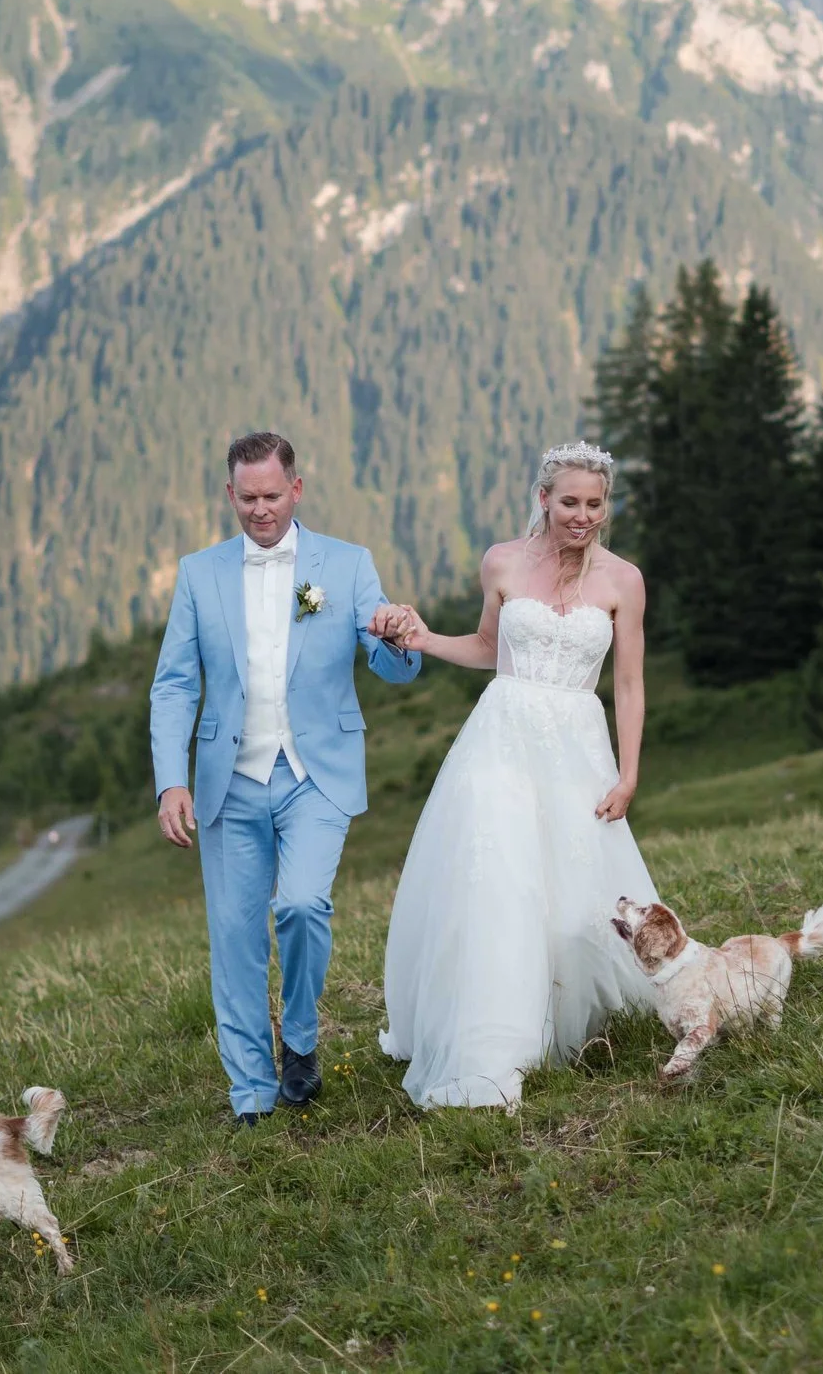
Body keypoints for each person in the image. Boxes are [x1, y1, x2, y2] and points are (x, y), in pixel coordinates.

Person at [374, 440, 659, 1110]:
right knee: (498, 886)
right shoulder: (501, 561)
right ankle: (491, 1045)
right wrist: (424, 639)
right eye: (568, 502)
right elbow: (486, 645)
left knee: (573, 894)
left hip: (577, 747)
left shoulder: (624, 580)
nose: (581, 516)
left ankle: (566, 1018)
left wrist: (629, 774)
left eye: (594, 504)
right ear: (543, 498)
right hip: (500, 742)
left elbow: (628, 683)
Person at [148, 432, 422, 1125]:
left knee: (301, 905)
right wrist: (169, 781)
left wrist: (394, 634)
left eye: (272, 495)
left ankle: (299, 1036)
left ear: (296, 489)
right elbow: (174, 685)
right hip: (227, 781)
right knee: (235, 938)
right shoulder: (198, 573)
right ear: (229, 494)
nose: (260, 510)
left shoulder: (348, 565)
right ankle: (252, 1092)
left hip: (316, 775)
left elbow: (391, 666)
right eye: (248, 498)